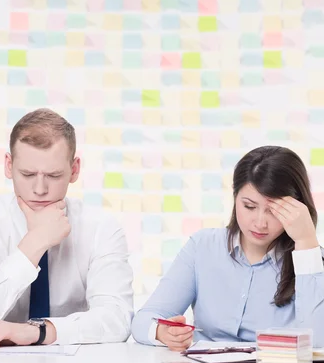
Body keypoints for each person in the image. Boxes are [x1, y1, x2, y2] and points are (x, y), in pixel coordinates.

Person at [0, 108, 134, 348]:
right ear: (8, 165)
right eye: (27, 174)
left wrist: (38, 331)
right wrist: (34, 243)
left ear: (74, 170)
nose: (39, 189)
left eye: (54, 175)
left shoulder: (102, 228)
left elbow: (117, 319)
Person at [131, 145, 324, 350]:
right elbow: (143, 321)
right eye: (249, 206)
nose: (260, 222)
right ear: (235, 198)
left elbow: (318, 343)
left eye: (274, 210)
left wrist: (305, 241)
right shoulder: (203, 247)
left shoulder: (311, 261)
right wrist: (163, 333)